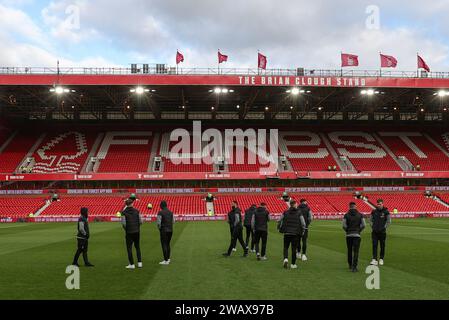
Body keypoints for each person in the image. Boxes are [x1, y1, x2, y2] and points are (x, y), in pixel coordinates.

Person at [278, 200, 305, 269]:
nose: (297, 205)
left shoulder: (285, 212)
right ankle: (293, 264)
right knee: (294, 249)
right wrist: (303, 231)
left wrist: (279, 227)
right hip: (295, 233)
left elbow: (279, 220)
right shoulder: (299, 212)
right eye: (296, 204)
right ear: (294, 205)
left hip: (287, 232)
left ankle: (285, 259)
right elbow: (303, 223)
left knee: (286, 247)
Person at [343, 202, 366, 272]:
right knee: (356, 251)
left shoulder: (346, 215)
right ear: (355, 206)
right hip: (357, 235)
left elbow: (344, 225)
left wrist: (347, 231)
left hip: (349, 235)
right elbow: (364, 225)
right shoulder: (360, 215)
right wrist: (359, 230)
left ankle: (350, 265)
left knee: (349, 250)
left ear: (349, 206)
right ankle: (354, 267)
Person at [121, 199, 143, 269]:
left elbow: (124, 224)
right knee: (137, 247)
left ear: (126, 204)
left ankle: (132, 264)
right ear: (132, 203)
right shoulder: (137, 211)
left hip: (129, 232)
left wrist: (127, 229)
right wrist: (137, 227)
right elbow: (141, 221)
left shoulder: (123, 212)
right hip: (137, 231)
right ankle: (140, 263)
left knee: (129, 248)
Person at [369, 199, 391, 266]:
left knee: (382, 245)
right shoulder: (374, 211)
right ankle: (374, 259)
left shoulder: (386, 212)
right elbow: (370, 220)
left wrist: (384, 228)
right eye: (378, 204)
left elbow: (388, 221)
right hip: (374, 232)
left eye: (380, 204)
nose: (379, 205)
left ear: (382, 204)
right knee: (374, 245)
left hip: (382, 232)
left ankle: (381, 258)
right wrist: (373, 227)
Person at [157, 200, 175, 265]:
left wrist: (160, 229)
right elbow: (173, 221)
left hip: (163, 230)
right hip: (170, 230)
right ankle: (168, 258)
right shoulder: (171, 212)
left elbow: (158, 223)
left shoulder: (160, 212)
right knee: (168, 244)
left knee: (164, 244)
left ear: (161, 206)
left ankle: (165, 260)